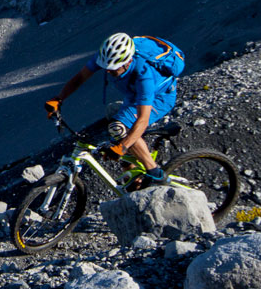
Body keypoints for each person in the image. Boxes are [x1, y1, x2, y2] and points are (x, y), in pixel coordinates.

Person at [44, 33, 178, 187]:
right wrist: (59, 98)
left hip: (159, 98)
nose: (107, 72)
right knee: (112, 113)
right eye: (106, 68)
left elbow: (143, 120)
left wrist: (123, 146)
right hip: (133, 94)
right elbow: (80, 77)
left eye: (113, 69)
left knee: (119, 128)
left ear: (127, 62)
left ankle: (155, 173)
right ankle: (134, 176)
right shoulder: (105, 58)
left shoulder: (144, 76)